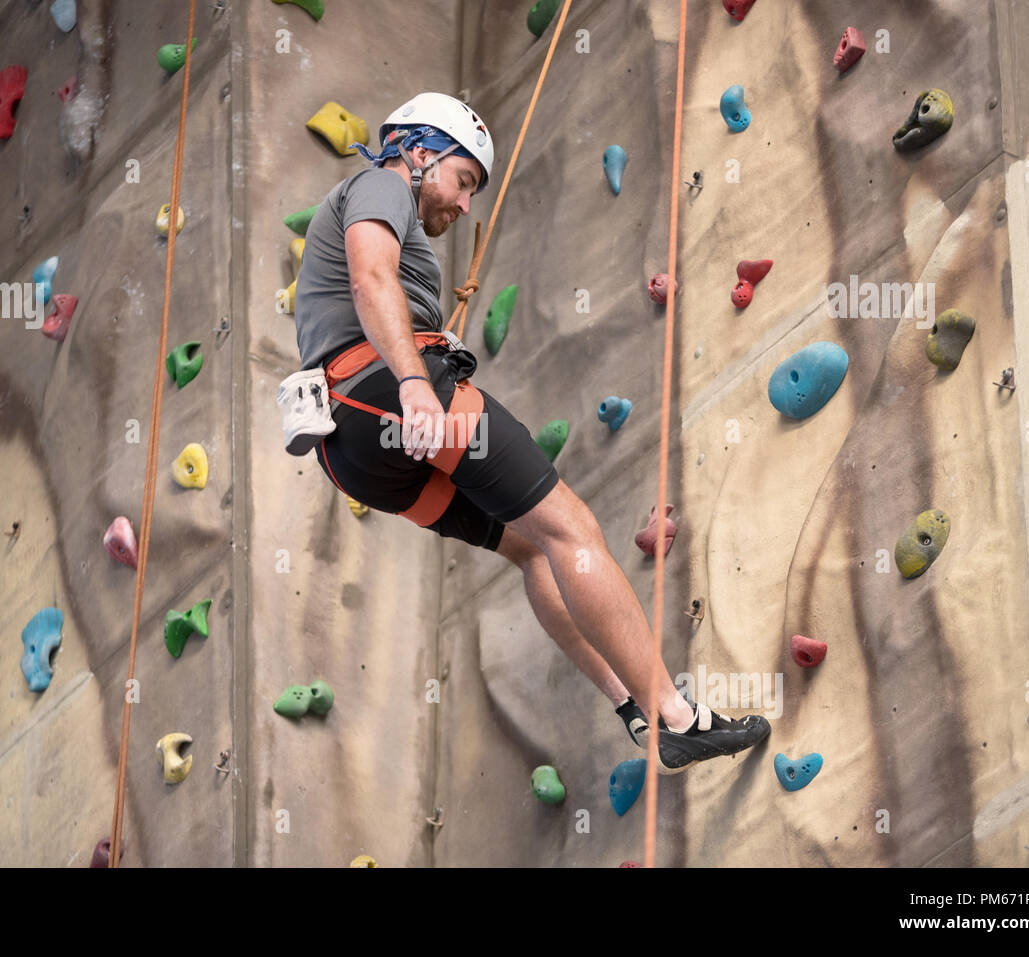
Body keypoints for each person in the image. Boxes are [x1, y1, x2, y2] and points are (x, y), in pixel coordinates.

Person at [290, 91, 769, 772]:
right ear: (420, 149)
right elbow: (371, 280)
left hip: (358, 451)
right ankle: (676, 714)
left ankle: (629, 705)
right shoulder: (380, 182)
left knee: (533, 550)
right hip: (388, 399)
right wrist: (417, 383)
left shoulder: (383, 207)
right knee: (571, 529)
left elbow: (367, 291)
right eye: (462, 180)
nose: (462, 204)